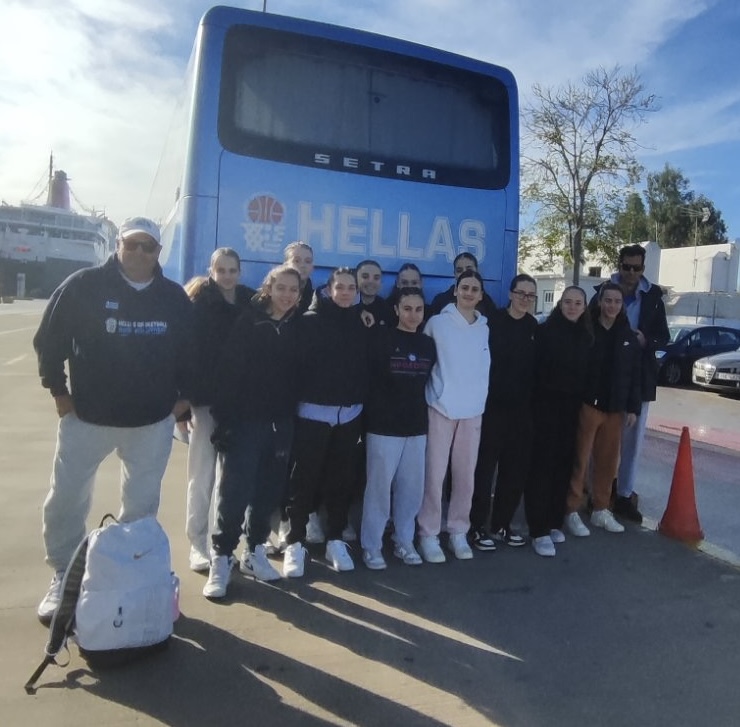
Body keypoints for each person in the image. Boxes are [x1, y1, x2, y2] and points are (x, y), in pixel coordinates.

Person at [33, 216, 193, 624]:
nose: (139, 252)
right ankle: (64, 572)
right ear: (117, 245)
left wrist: (184, 400)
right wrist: (59, 391)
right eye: (132, 244)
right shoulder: (83, 285)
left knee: (141, 505)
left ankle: (130, 572)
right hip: (88, 418)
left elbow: (194, 352)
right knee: (66, 498)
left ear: (158, 252)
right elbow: (49, 341)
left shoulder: (173, 297)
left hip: (150, 423)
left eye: (148, 246)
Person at [203, 264, 303, 598]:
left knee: (268, 492)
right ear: (268, 289)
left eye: (293, 290)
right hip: (245, 423)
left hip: (281, 424)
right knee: (235, 492)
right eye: (281, 288)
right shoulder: (248, 322)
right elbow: (227, 373)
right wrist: (225, 420)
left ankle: (255, 551)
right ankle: (221, 557)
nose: (287, 295)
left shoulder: (297, 327)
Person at [282, 267, 369, 577]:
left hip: (349, 416)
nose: (345, 292)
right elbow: (294, 369)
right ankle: (295, 542)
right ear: (329, 289)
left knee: (341, 482)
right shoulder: (308, 321)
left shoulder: (361, 323)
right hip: (312, 415)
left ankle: (335, 540)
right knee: (303, 482)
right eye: (340, 287)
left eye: (351, 288)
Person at [182, 248, 255, 573]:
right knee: (202, 476)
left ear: (240, 272)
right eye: (221, 270)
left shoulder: (250, 301)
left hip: (240, 403)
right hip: (206, 403)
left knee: (230, 481)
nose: (227, 276)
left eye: (232, 270)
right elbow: (187, 354)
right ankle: (197, 544)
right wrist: (185, 402)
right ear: (211, 270)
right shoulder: (199, 302)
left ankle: (220, 544)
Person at [592, 244, 669, 524]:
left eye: (636, 268)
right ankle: (596, 494)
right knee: (599, 441)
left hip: (639, 378)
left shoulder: (654, 297)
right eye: (626, 267)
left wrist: (646, 340)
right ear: (620, 265)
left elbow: (663, 336)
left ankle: (624, 496)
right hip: (604, 379)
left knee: (632, 444)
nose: (631, 272)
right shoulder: (603, 291)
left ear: (643, 268)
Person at [417, 270, 490, 563]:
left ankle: (458, 530)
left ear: (481, 295)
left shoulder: (484, 328)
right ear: (456, 290)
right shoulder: (437, 323)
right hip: (441, 409)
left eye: (474, 289)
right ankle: (428, 533)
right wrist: (436, 394)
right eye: (464, 287)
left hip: (472, 412)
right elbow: (424, 361)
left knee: (465, 476)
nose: (469, 293)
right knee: (434, 475)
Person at [360, 287, 436, 569]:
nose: (413, 315)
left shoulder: (428, 344)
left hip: (416, 427)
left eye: (418, 309)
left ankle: (404, 540)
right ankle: (371, 545)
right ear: (396, 310)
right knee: (378, 490)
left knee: (411, 490)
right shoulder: (381, 338)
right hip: (383, 427)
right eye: (407, 309)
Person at [565, 282, 641, 537]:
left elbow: (634, 375)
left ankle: (600, 508)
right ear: (600, 302)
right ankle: (572, 509)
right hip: (589, 405)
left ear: (622, 306)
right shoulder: (587, 331)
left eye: (617, 302)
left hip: (615, 409)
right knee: (580, 460)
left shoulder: (627, 336)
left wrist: (632, 408)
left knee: (608, 463)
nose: (612, 305)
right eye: (608, 300)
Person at [470, 274, 538, 551]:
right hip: (491, 410)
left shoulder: (534, 327)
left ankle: (501, 525)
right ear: (510, 294)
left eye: (530, 295)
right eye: (521, 293)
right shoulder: (491, 323)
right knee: (484, 472)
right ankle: (476, 527)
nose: (525, 299)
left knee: (514, 472)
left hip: (521, 412)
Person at [525, 287, 593, 557]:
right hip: (545, 409)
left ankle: (554, 522)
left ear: (584, 307)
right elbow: (534, 373)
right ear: (560, 304)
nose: (572, 307)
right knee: (542, 469)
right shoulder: (545, 332)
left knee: (563, 468)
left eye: (578, 303)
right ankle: (538, 530)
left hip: (571, 411)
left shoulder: (586, 336)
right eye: (568, 302)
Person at [428, 252, 497, 320]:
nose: (464, 273)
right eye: (459, 270)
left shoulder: (487, 302)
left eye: (469, 269)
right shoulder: (441, 300)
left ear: (477, 271)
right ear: (454, 274)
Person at [356, 259, 392, 326]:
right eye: (365, 277)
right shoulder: (346, 304)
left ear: (381, 281)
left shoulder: (386, 309)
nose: (371, 281)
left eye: (376, 278)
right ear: (356, 279)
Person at [284, 241, 315, 314]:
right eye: (297, 261)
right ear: (286, 265)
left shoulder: (317, 302)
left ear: (312, 267)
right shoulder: (268, 296)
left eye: (307, 261)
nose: (302, 265)